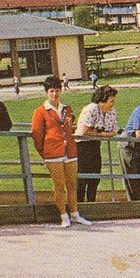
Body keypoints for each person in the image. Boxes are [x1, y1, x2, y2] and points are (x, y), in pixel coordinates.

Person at [31, 76, 92, 227]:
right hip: (52, 153)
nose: (55, 94)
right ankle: (63, 216)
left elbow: (70, 128)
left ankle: (75, 214)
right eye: (51, 91)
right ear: (47, 92)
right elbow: (37, 134)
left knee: (72, 184)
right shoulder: (40, 111)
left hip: (69, 151)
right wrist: (44, 152)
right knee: (59, 186)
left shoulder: (66, 109)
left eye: (57, 91)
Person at [75, 85, 118, 203]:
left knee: (95, 177)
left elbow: (113, 131)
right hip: (82, 146)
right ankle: (79, 204)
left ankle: (92, 204)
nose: (113, 104)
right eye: (111, 101)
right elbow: (83, 131)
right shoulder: (92, 109)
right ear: (102, 100)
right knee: (82, 178)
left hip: (95, 144)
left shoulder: (111, 112)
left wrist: (96, 132)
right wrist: (103, 133)